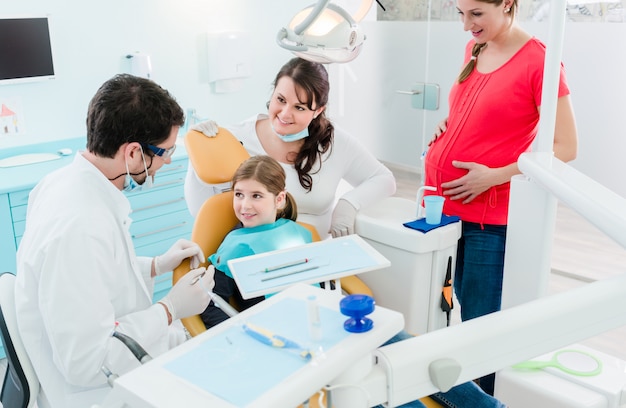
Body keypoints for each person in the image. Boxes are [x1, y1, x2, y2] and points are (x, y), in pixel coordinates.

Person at [14, 74, 215, 408]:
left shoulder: (63, 182)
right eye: (165, 152)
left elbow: (89, 275)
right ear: (134, 153)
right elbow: (87, 363)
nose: (166, 161)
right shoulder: (79, 226)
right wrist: (170, 308)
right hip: (99, 392)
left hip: (106, 355)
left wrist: (154, 265)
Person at [424, 0, 578, 395]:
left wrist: (493, 177)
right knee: (455, 305)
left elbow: (565, 146)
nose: (465, 25)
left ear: (507, 4)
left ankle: (484, 401)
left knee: (482, 325)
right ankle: (465, 395)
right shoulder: (476, 46)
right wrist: (451, 121)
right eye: (460, 13)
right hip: (444, 207)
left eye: (476, 14)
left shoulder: (540, 62)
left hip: (487, 217)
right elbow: (482, 110)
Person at [185, 57, 396, 239]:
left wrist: (348, 204)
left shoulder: (333, 141)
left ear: (318, 110)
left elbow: (384, 179)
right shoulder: (236, 138)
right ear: (273, 93)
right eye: (280, 99)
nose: (285, 114)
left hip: (310, 261)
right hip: (252, 256)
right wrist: (197, 155)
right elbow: (200, 210)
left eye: (299, 107)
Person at [200, 155, 313, 328]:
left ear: (279, 199)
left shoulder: (297, 231)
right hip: (275, 334)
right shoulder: (235, 246)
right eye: (239, 194)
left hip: (314, 316)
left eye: (256, 196)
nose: (245, 205)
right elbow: (212, 304)